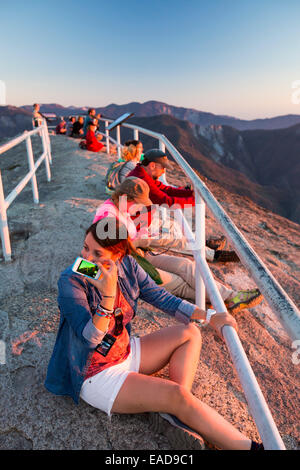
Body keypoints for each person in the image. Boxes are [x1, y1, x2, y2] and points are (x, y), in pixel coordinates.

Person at [44, 217, 264, 450]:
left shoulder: (128, 265)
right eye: (85, 248)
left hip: (125, 353)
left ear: (118, 255)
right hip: (95, 372)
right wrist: (107, 298)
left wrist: (210, 317)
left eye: (98, 254)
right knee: (176, 395)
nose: (86, 259)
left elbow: (162, 298)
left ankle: (176, 415)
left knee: (190, 333)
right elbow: (90, 338)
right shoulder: (72, 278)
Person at [93, 178, 263, 312]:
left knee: (186, 265)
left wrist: (141, 241)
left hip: (138, 255)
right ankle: (226, 300)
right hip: (126, 266)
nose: (139, 208)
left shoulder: (120, 208)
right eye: (138, 203)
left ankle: (230, 296)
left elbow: (130, 240)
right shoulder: (108, 216)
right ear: (126, 198)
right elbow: (102, 255)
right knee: (178, 283)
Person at [127, 149, 239, 263]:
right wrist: (194, 200)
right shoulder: (141, 180)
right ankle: (216, 255)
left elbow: (166, 189)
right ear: (152, 165)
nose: (163, 172)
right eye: (163, 168)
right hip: (136, 231)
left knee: (174, 226)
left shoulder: (142, 173)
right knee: (174, 240)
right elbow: (166, 201)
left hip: (140, 220)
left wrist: (189, 193)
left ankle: (205, 244)